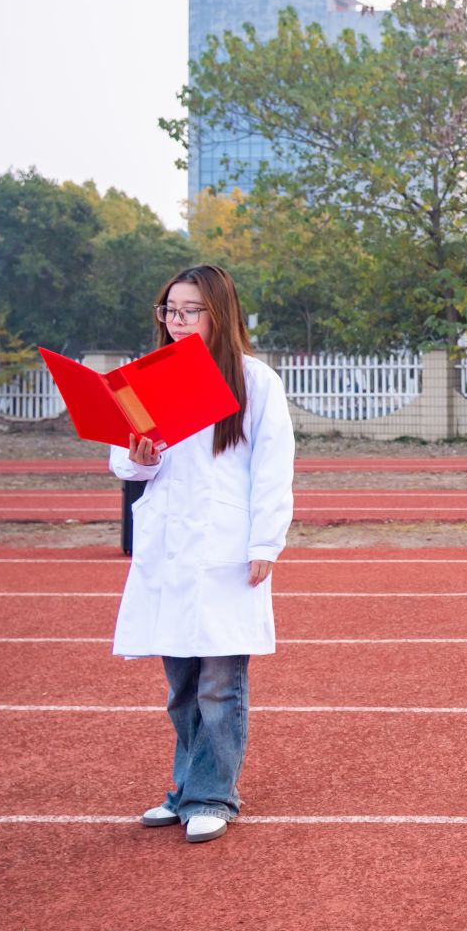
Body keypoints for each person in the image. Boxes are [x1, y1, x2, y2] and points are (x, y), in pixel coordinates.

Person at [109, 265, 294, 844]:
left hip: (225, 547)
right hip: (169, 547)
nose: (178, 320)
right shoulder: (145, 378)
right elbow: (123, 462)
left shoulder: (254, 381)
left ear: (219, 313)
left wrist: (265, 542)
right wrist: (140, 457)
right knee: (182, 685)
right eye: (170, 310)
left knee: (219, 682)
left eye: (191, 310)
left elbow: (272, 467)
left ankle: (213, 794)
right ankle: (186, 789)